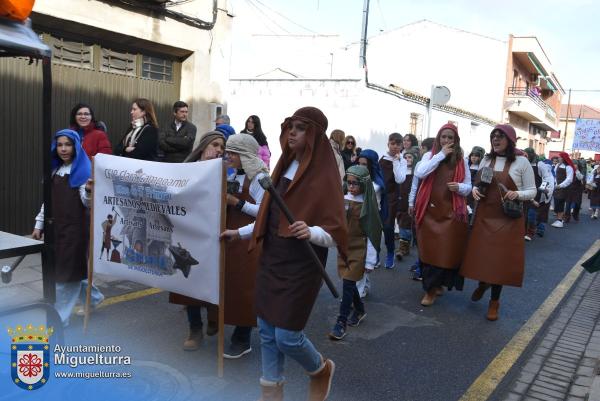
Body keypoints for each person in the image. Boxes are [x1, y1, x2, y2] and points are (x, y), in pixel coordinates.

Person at [221, 107, 347, 401]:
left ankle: (320, 369)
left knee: (287, 337)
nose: (292, 132)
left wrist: (312, 231)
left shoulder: (325, 176)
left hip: (302, 265)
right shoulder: (282, 167)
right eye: (290, 126)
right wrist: (238, 234)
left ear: (314, 134)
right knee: (266, 330)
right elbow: (270, 214)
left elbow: (337, 232)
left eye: (300, 128)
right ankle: (271, 393)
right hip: (272, 258)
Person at [461, 124, 536, 320]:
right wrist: (474, 190)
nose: (495, 139)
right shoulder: (486, 159)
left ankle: (494, 302)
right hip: (485, 216)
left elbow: (532, 191)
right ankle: (483, 283)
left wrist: (517, 193)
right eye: (493, 136)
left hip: (507, 219)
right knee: (483, 257)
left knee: (499, 263)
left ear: (509, 140)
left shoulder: (522, 162)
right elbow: (478, 184)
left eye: (500, 136)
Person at [32, 129, 104, 326]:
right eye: (60, 145)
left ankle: (60, 318)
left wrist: (89, 190)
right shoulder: (55, 170)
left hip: (76, 231)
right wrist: (39, 224)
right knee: (70, 270)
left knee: (66, 275)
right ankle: (95, 298)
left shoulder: (83, 171)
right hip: (56, 229)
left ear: (76, 146)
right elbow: (48, 202)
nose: (64, 149)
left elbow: (88, 204)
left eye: (68, 144)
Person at [170, 131, 226, 350]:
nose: (219, 150)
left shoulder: (225, 173)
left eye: (222, 147)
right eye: (215, 145)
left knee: (213, 279)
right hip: (187, 234)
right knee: (189, 280)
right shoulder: (185, 171)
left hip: (213, 235)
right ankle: (195, 328)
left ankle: (214, 317)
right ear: (203, 147)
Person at [221, 133, 269, 358]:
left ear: (244, 154)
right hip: (232, 235)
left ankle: (242, 338)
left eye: (233, 152)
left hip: (249, 238)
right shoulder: (232, 173)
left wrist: (236, 203)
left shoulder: (259, 178)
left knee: (245, 288)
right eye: (227, 151)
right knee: (230, 283)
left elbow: (264, 212)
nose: (228, 155)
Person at [414, 123, 471, 306]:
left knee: (444, 252)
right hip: (428, 211)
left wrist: (459, 187)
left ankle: (435, 286)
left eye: (450, 138)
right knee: (428, 252)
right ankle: (430, 289)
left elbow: (469, 186)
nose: (446, 141)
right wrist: (440, 156)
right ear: (438, 138)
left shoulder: (462, 160)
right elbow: (420, 173)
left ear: (456, 141)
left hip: (450, 212)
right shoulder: (429, 156)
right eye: (443, 137)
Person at [329, 165, 381, 341]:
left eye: (355, 183)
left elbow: (373, 234)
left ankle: (341, 322)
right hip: (344, 247)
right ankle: (359, 310)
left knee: (348, 285)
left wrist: (370, 262)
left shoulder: (368, 205)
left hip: (360, 249)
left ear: (364, 185)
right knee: (348, 282)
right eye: (348, 182)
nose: (351, 186)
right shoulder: (342, 199)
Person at [378, 133, 407, 265]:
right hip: (380, 196)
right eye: (392, 143)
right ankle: (375, 254)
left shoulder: (402, 161)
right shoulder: (382, 159)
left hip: (392, 198)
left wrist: (396, 161)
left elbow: (400, 179)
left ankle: (390, 252)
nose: (395, 146)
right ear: (388, 144)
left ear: (401, 146)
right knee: (376, 227)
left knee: (388, 226)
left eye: (398, 144)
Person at [408, 138, 434, 281]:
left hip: (426, 204)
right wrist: (411, 202)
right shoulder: (423, 163)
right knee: (420, 235)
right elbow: (415, 183)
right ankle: (421, 262)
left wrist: (411, 202)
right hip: (423, 203)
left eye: (422, 148)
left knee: (424, 236)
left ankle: (423, 266)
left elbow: (414, 185)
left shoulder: (432, 161)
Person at [523, 148, 554, 240]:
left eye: (526, 155)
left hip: (537, 193)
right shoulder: (524, 164)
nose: (525, 157)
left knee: (531, 214)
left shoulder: (540, 165)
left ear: (531, 154)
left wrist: (546, 191)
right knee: (524, 213)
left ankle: (530, 232)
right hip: (526, 191)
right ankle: (524, 231)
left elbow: (548, 178)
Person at [396, 146, 419, 258]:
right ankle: (405, 246)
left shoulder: (417, 173)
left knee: (406, 223)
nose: (408, 159)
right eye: (405, 157)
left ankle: (402, 248)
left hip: (410, 201)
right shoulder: (401, 171)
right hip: (400, 200)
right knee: (401, 222)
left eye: (410, 157)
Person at [551, 152, 576, 228]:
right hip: (556, 187)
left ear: (563, 158)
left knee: (560, 203)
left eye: (560, 157)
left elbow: (569, 179)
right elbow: (554, 175)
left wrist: (561, 185)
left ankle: (560, 220)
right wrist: (554, 183)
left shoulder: (568, 167)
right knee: (556, 202)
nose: (558, 158)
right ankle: (558, 219)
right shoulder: (558, 165)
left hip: (563, 188)